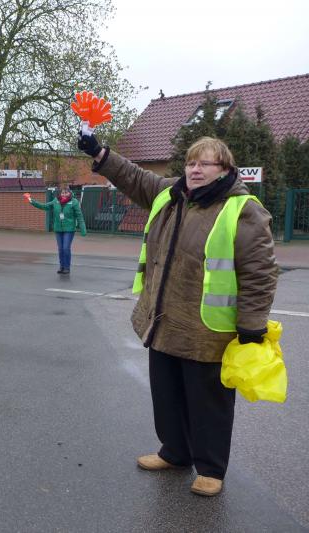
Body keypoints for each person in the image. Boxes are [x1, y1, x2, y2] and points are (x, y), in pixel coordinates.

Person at [77, 129, 278, 496]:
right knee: (167, 394)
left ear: (224, 169)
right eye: (190, 163)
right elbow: (135, 177)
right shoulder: (171, 195)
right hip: (164, 319)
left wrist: (251, 326)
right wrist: (101, 154)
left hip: (208, 329)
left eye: (204, 164)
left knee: (208, 403)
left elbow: (259, 274)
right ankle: (174, 452)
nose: (194, 169)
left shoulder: (243, 209)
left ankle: (211, 469)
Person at [24, 186, 87, 274]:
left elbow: (79, 216)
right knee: (60, 249)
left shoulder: (74, 202)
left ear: (69, 193)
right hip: (58, 229)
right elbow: (44, 206)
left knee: (66, 248)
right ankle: (62, 266)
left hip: (69, 229)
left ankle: (67, 267)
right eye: (62, 193)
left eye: (66, 193)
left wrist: (83, 228)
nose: (64, 194)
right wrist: (31, 200)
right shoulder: (55, 201)